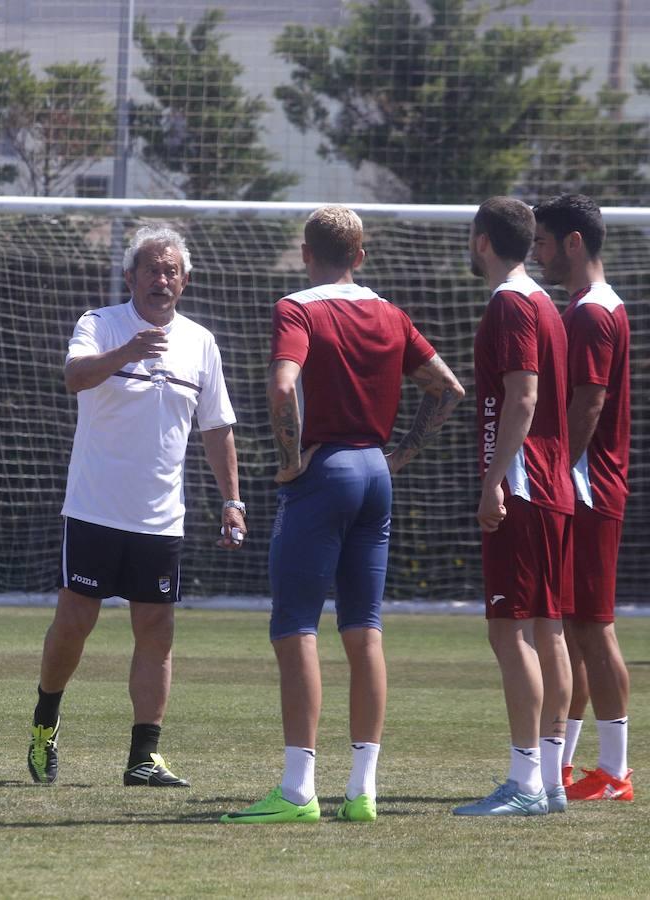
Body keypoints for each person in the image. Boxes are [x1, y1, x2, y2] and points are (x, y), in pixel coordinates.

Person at [221, 205, 464, 824]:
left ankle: (299, 790)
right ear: (361, 254)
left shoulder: (297, 308)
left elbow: (282, 386)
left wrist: (287, 460)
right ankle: (362, 792)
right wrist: (399, 455)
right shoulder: (391, 313)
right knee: (364, 629)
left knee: (296, 625)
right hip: (374, 475)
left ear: (306, 253)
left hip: (323, 471)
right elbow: (447, 387)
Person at [27, 225, 247, 787]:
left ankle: (143, 758)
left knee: (156, 628)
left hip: (160, 517)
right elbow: (74, 377)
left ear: (185, 281)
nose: (161, 278)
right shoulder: (100, 324)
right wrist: (126, 352)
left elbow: (217, 427)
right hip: (95, 508)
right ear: (130, 278)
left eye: (171, 269)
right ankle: (45, 722)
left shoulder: (201, 341)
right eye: (151, 268)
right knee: (75, 622)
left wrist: (232, 501)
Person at [453, 197, 574, 817]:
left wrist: (493, 481)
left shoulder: (511, 303)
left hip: (524, 487)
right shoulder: (548, 303)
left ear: (482, 241)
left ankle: (525, 781)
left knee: (510, 631)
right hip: (554, 484)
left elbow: (521, 399)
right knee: (549, 630)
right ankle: (550, 780)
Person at [533, 194, 632, 802]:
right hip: (584, 485)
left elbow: (590, 402)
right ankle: (565, 765)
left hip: (588, 487)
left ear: (574, 242)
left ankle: (617, 771)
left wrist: (554, 469)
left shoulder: (594, 313)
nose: (537, 251)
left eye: (544, 240)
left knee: (594, 627)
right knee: (573, 626)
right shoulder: (589, 306)